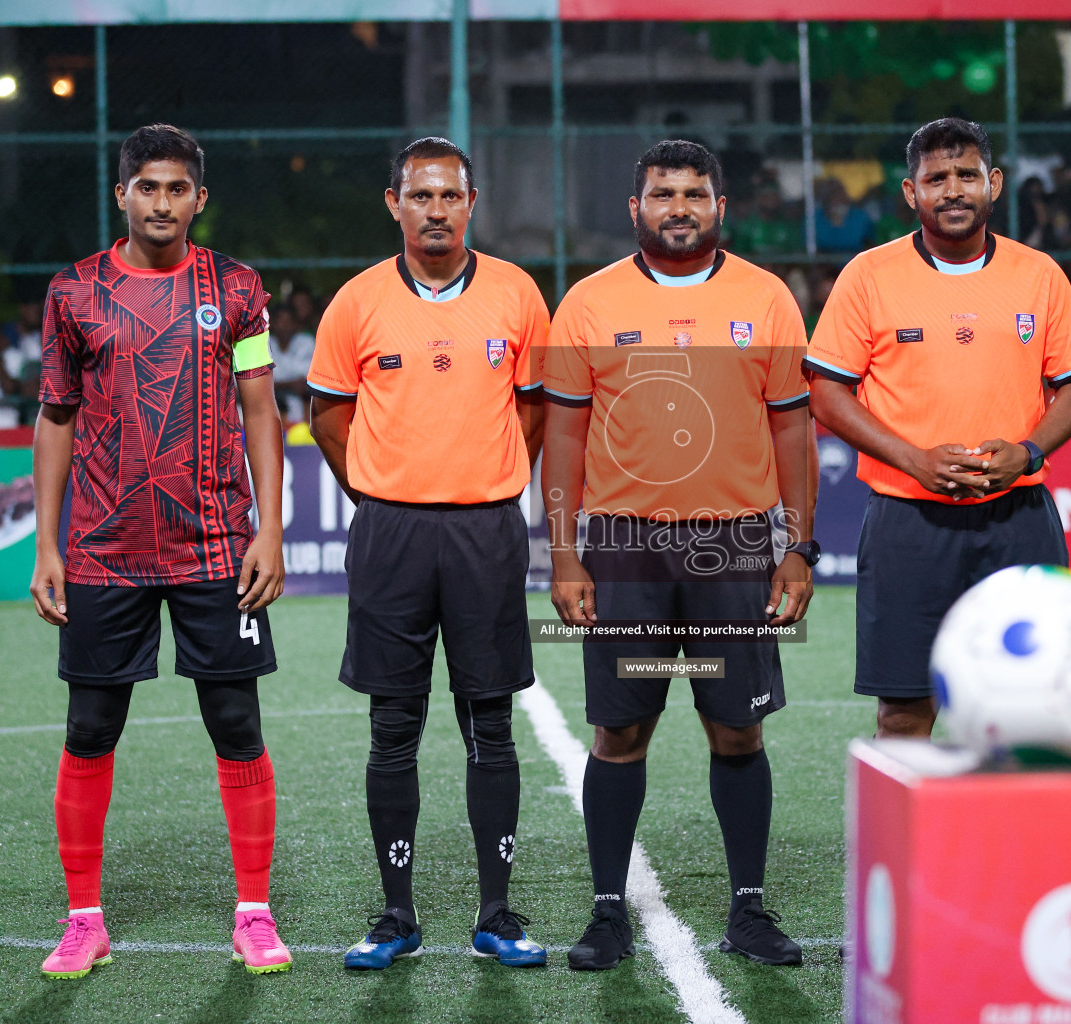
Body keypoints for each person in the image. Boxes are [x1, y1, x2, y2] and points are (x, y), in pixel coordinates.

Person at [543, 139, 814, 971]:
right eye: (664, 193)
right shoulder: (587, 303)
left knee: (736, 731)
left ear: (720, 207)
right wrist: (563, 555)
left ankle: (749, 909)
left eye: (696, 192)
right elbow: (563, 433)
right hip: (623, 550)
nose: (680, 206)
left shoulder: (767, 298)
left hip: (734, 547)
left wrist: (796, 548)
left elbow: (793, 426)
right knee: (620, 731)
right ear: (636, 208)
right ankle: (605, 913)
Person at [29, 124, 290, 980]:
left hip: (217, 547)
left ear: (199, 199)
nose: (163, 202)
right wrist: (48, 545)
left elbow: (260, 409)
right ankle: (83, 919)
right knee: (91, 727)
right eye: (148, 187)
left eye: (178, 188)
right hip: (104, 550)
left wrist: (271, 529)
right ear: (122, 195)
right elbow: (56, 417)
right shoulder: (74, 293)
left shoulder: (238, 289)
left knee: (236, 722)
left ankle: (253, 913)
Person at [307, 136, 549, 970]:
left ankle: (496, 913)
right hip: (391, 534)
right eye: (421, 197)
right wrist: (381, 490)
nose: (436, 210)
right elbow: (328, 416)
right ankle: (397, 915)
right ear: (394, 204)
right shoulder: (357, 302)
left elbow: (535, 412)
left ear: (471, 204)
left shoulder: (518, 294)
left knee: (491, 723)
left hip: (485, 531)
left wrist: (481, 477)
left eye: (450, 196)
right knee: (392, 728)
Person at [806, 117, 1071, 741]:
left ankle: (1015, 842)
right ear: (911, 194)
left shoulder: (1039, 274)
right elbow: (826, 392)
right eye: (936, 179)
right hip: (907, 521)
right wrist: (914, 460)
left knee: (1035, 706)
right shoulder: (868, 275)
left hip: (1019, 517)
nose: (954, 190)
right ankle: (907, 844)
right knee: (905, 710)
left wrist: (1029, 451)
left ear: (993, 183)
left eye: (967, 175)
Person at [266, 303, 314, 422]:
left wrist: (275, 385)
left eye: (288, 321)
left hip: (301, 410)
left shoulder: (306, 342)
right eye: (280, 321)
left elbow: (307, 383)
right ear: (272, 323)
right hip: (268, 408)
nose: (284, 326)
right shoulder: (264, 343)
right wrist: (290, 384)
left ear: (295, 324)